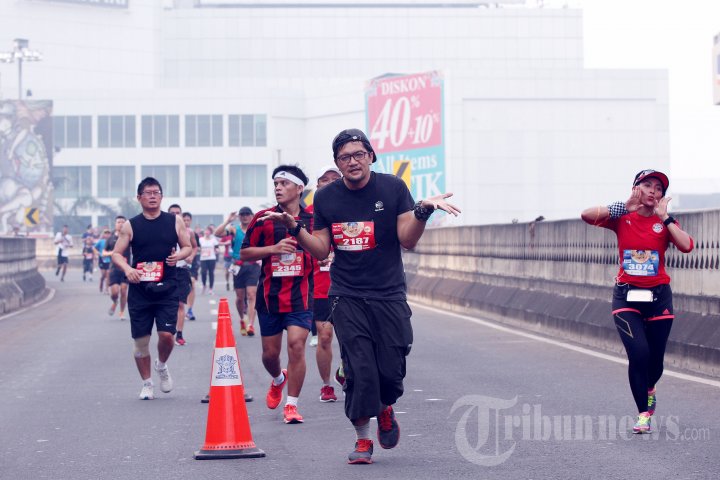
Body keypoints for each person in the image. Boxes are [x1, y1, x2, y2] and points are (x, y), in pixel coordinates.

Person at [259, 129, 460, 464]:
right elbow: (321, 249)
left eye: (358, 155)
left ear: (370, 157)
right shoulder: (327, 198)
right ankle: (363, 439)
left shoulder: (392, 188)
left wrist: (422, 212)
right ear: (337, 163)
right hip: (347, 294)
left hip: (388, 294)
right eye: (344, 157)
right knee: (358, 369)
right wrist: (295, 228)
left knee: (391, 373)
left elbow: (407, 239)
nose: (352, 162)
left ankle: (385, 406)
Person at [581, 169, 694, 434]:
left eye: (658, 188)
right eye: (647, 185)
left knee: (655, 363)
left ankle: (650, 387)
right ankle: (643, 413)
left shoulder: (664, 222)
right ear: (636, 188)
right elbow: (586, 215)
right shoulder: (622, 217)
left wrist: (665, 218)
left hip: (658, 298)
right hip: (626, 298)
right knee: (639, 354)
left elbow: (687, 245)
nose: (653, 190)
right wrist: (623, 207)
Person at [241, 165, 314, 425]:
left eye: (284, 183)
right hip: (270, 297)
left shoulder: (313, 220)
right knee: (270, 355)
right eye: (276, 184)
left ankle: (291, 404)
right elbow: (245, 253)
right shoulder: (263, 218)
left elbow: (323, 247)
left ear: (299, 188)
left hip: (300, 296)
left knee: (297, 345)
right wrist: (273, 249)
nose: (278, 188)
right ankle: (278, 379)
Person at [112, 177, 192, 400]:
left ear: (161, 196)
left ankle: (162, 365)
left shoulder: (174, 221)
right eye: (148, 193)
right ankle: (147, 383)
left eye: (157, 192)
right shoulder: (130, 225)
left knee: (167, 336)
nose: (153, 196)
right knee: (141, 342)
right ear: (139, 197)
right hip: (140, 290)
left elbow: (187, 246)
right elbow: (116, 253)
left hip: (167, 287)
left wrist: (179, 255)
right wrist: (128, 269)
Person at [309, 164, 342, 403]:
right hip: (320, 287)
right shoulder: (307, 214)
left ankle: (344, 371)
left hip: (349, 284)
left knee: (352, 338)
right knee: (325, 336)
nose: (330, 182)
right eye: (325, 179)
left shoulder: (352, 208)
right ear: (317, 185)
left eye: (335, 178)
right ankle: (326, 385)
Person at [215, 206, 260, 336]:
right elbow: (217, 233)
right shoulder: (234, 229)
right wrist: (228, 220)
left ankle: (251, 324)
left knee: (251, 295)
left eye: (247, 214)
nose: (245, 217)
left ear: (251, 216)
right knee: (240, 298)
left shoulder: (256, 229)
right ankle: (242, 319)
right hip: (238, 266)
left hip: (253, 265)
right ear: (239, 216)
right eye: (242, 214)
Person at [168, 204, 198, 346]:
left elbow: (194, 246)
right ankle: (168, 332)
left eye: (177, 212)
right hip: (167, 271)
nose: (175, 215)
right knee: (168, 304)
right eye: (172, 213)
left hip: (181, 270)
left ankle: (179, 334)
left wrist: (190, 256)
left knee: (180, 303)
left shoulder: (188, 232)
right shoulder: (162, 230)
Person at [106, 216, 130, 320]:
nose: (120, 224)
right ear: (115, 224)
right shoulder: (110, 238)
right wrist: (113, 253)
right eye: (118, 222)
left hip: (126, 268)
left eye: (122, 222)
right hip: (114, 269)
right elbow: (104, 252)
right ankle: (115, 301)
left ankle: (121, 312)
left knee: (124, 290)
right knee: (115, 292)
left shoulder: (129, 237)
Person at [182, 212, 200, 321]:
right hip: (179, 264)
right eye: (184, 220)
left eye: (188, 220)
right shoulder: (175, 231)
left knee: (192, 283)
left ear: (191, 221)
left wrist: (192, 256)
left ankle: (189, 310)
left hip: (191, 263)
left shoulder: (192, 233)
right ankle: (180, 309)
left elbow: (196, 247)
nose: (186, 222)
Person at [199, 226, 219, 295]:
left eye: (208, 231)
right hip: (203, 258)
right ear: (204, 232)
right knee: (203, 272)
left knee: (211, 273)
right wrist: (199, 250)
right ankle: (204, 285)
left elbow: (217, 248)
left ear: (210, 232)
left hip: (211, 258)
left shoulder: (213, 240)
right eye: (206, 231)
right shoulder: (200, 240)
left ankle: (211, 288)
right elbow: (197, 247)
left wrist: (217, 250)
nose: (207, 232)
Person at [94, 229, 112, 293]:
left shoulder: (112, 241)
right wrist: (98, 253)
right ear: (103, 234)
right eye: (106, 233)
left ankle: (106, 289)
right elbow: (94, 248)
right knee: (103, 275)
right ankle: (101, 281)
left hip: (109, 260)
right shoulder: (101, 241)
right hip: (102, 260)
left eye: (108, 233)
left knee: (108, 274)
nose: (107, 235)